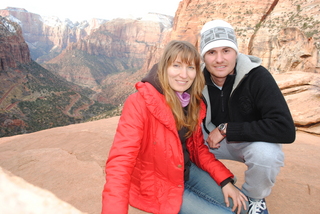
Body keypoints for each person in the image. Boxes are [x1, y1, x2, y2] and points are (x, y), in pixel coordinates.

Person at [101, 40, 248, 214]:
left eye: (190, 68)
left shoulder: (193, 103)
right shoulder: (139, 103)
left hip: (186, 171)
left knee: (242, 207)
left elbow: (198, 149)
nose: (184, 75)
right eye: (176, 66)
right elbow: (121, 161)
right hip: (158, 182)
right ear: (164, 67)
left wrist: (224, 181)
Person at [200, 20, 296, 214]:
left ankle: (254, 198)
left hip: (244, 142)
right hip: (205, 140)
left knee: (267, 154)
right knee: (179, 147)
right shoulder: (195, 78)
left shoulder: (257, 76)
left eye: (226, 50)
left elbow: (284, 128)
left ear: (236, 51)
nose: (219, 59)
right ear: (204, 56)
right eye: (211, 52)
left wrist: (227, 129)